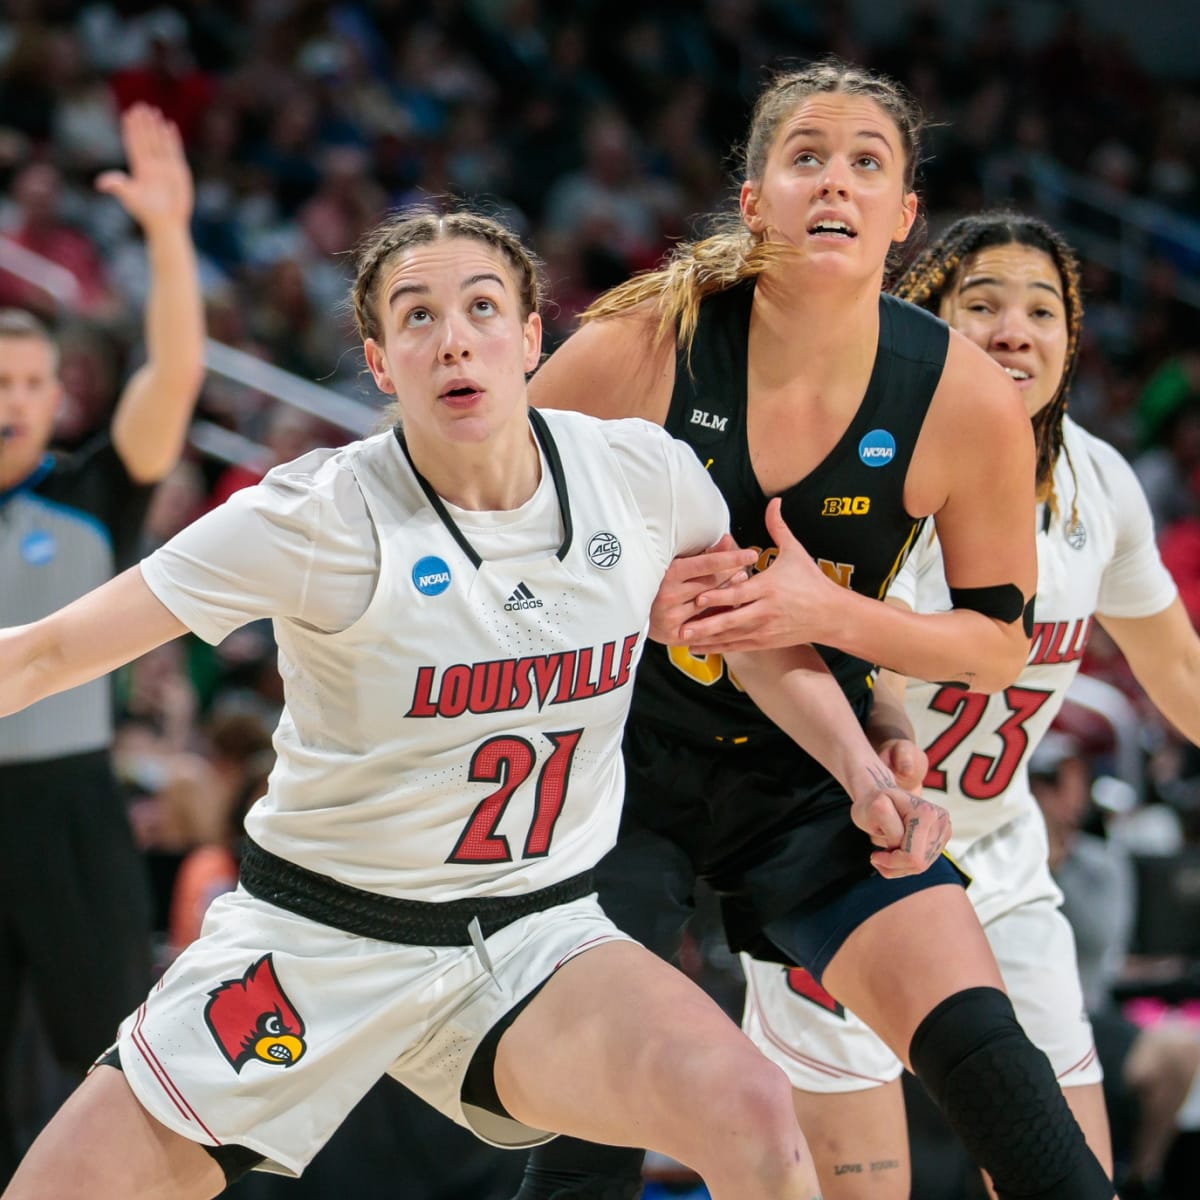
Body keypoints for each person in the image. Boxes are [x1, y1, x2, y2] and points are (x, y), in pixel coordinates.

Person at [0, 206, 933, 1200]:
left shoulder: (642, 479)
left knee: (753, 1113)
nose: (452, 336)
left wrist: (865, 770)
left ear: (531, 338)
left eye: (482, 307)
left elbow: (753, 641)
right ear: (378, 361)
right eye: (415, 316)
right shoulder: (315, 516)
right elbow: (47, 651)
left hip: (533, 937)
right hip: (318, 939)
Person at [518, 60, 1116, 1200]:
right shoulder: (644, 345)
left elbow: (997, 643)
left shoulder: (961, 399)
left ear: (903, 218)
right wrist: (617, 589)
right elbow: (492, 521)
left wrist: (836, 626)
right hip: (618, 761)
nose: (832, 181)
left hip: (812, 763)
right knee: (594, 1132)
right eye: (805, 157)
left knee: (1002, 1075)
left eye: (865, 163)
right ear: (754, 202)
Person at [740, 209, 1200, 1198]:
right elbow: (882, 683)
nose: (1013, 328)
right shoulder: (861, 453)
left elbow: (1184, 678)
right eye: (981, 303)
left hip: (998, 862)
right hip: (847, 857)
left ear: (1073, 339)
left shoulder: (1100, 481)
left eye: (1043, 309)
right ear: (926, 318)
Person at [0, 103, 203, 1185]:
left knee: (121, 1066)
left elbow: (171, 382)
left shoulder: (90, 495)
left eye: (34, 384)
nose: (17, 403)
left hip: (73, 811)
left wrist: (168, 234)